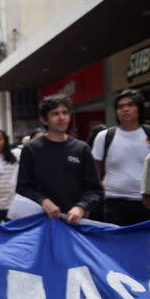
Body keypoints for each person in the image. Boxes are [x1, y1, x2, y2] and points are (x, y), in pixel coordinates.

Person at [17, 94, 103, 225]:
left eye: (65, 112)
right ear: (44, 120)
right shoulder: (31, 148)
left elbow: (95, 190)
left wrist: (81, 207)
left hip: (75, 222)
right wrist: (44, 201)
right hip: (41, 222)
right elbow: (23, 187)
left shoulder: (81, 148)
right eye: (55, 114)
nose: (61, 117)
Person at [91, 89, 150, 226]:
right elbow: (94, 170)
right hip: (113, 202)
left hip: (148, 202)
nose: (125, 109)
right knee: (115, 245)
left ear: (139, 108)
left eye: (130, 105)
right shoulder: (104, 136)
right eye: (120, 106)